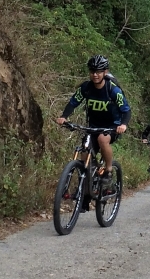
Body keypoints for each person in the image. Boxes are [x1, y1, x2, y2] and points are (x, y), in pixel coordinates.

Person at [56, 55, 131, 195]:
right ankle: (85, 191)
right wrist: (64, 117)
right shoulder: (86, 88)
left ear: (105, 72)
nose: (95, 75)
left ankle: (108, 171)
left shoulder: (113, 90)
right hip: (93, 126)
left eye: (98, 71)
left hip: (112, 127)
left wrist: (123, 125)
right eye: (92, 71)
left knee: (103, 139)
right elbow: (73, 102)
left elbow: (126, 110)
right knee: (85, 153)